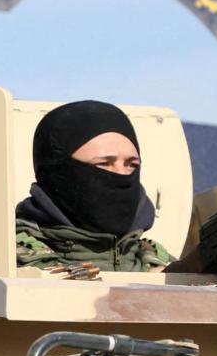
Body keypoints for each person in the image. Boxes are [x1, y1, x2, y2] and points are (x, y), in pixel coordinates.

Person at [15, 100, 173, 273]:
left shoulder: (160, 264)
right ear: (58, 172)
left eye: (131, 165)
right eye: (104, 164)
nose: (122, 174)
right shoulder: (9, 262)